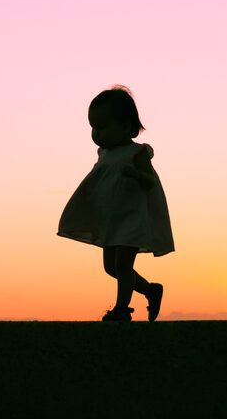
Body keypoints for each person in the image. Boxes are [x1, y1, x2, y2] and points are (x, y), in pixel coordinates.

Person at [57, 86, 174, 321]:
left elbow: (150, 181)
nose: (96, 133)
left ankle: (122, 309)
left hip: (132, 218)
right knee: (111, 267)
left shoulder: (137, 153)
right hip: (112, 218)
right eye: (92, 127)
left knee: (122, 265)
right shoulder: (104, 154)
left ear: (126, 126)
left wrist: (137, 176)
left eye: (101, 127)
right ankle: (151, 290)